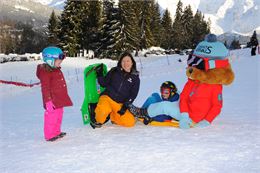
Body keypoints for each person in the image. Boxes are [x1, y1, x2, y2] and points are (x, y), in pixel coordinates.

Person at [91, 52, 140, 128]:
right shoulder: (114, 71)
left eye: (128, 61)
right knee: (100, 119)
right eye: (123, 61)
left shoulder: (135, 78)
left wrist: (125, 105)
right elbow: (104, 83)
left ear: (132, 63)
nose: (125, 63)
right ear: (120, 62)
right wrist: (99, 75)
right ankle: (97, 109)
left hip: (119, 104)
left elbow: (133, 94)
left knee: (130, 122)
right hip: (107, 98)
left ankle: (113, 115)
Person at [36, 46, 73, 141]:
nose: (60, 63)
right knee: (51, 118)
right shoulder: (45, 72)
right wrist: (48, 102)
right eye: (58, 61)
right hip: (52, 101)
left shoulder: (55, 69)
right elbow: (45, 88)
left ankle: (56, 132)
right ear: (50, 60)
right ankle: (49, 135)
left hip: (59, 99)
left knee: (58, 116)